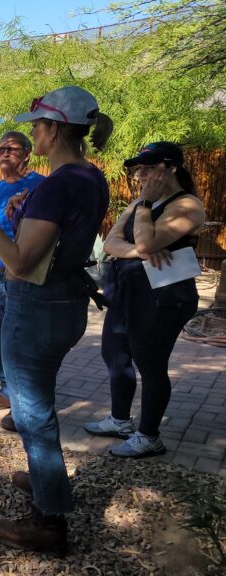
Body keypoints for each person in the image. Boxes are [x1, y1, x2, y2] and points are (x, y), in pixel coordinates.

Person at [0, 85, 113, 554]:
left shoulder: (58, 182)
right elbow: (62, 235)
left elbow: (20, 264)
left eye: (37, 128)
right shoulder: (91, 177)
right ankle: (48, 483)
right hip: (68, 303)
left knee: (32, 415)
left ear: (51, 130)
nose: (34, 136)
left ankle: (48, 523)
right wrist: (25, 209)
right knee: (38, 405)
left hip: (35, 306)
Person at [86, 142, 205, 458]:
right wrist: (142, 250)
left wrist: (144, 219)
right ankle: (120, 420)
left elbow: (146, 238)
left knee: (150, 363)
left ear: (171, 168)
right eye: (138, 168)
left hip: (166, 295)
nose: (140, 174)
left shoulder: (188, 205)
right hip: (129, 292)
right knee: (115, 354)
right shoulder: (141, 203)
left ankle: (149, 436)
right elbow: (112, 243)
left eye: (149, 168)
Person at [0, 132, 45, 420]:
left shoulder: (40, 186)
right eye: (1, 148)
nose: (4, 153)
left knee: (21, 333)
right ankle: (6, 388)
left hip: (18, 271)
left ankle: (26, 398)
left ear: (27, 154)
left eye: (12, 149)